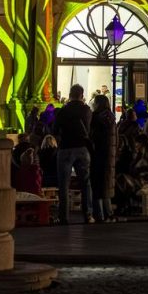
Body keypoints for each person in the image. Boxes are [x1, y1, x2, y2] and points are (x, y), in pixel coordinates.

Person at [53, 84, 94, 224]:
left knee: (64, 184)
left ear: (70, 94)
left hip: (65, 148)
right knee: (86, 183)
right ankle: (88, 214)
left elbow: (55, 130)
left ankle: (64, 217)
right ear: (81, 95)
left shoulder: (63, 110)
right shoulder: (87, 110)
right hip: (82, 148)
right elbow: (90, 129)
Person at [89, 94, 119, 222]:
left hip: (98, 154)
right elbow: (116, 139)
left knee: (96, 186)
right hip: (110, 155)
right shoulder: (112, 118)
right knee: (106, 186)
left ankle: (99, 214)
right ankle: (109, 213)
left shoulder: (95, 118)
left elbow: (93, 137)